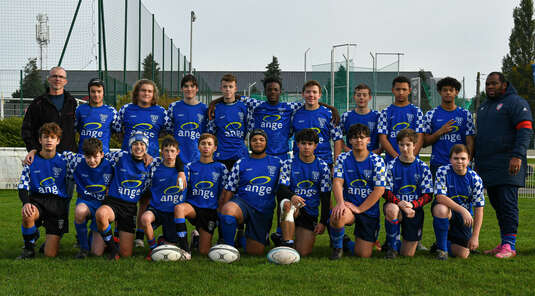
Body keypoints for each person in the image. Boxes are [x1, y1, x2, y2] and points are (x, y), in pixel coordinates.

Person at [114, 79, 185, 246]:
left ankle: (139, 235)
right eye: (143, 90)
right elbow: (118, 130)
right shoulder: (126, 109)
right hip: (129, 162)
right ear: (137, 92)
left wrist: (149, 150)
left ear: (154, 95)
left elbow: (166, 133)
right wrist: (132, 150)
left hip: (150, 162)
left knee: (145, 200)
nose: (146, 93)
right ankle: (118, 233)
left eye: (149, 91)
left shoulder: (160, 112)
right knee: (124, 197)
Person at [475, 72, 533, 258]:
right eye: (487, 84)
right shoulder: (484, 107)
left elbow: (525, 131)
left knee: (508, 203)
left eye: (494, 84)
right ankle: (503, 243)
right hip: (487, 164)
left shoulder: (515, 102)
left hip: (508, 163)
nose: (490, 87)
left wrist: (517, 155)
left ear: (504, 84)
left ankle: (510, 246)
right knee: (497, 204)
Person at [219, 129, 282, 255]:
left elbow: (284, 188)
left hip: (263, 210)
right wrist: (222, 213)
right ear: (249, 143)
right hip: (243, 203)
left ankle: (244, 238)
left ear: (266, 143)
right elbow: (229, 188)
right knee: (228, 212)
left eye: (261, 140)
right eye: (254, 140)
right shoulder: (241, 162)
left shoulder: (277, 163)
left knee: (255, 252)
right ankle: (229, 250)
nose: (257, 142)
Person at [95, 131, 156, 260]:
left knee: (126, 253)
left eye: (142, 144)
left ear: (146, 147)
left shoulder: (151, 165)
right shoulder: (120, 156)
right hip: (113, 203)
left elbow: (171, 161)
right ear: (130, 146)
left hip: (130, 208)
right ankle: (112, 249)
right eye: (135, 144)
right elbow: (99, 156)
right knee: (101, 214)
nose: (138, 147)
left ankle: (114, 240)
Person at [329, 124, 386, 259]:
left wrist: (360, 209)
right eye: (355, 137)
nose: (358, 140)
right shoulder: (343, 159)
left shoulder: (377, 161)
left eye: (362, 137)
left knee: (363, 254)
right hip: (348, 206)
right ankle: (337, 248)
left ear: (368, 140)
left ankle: (347, 242)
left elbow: (379, 190)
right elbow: (337, 182)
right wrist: (341, 203)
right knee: (337, 214)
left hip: (368, 210)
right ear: (350, 141)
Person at [17, 123, 73, 259]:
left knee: (50, 254)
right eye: (45, 137)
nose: (49, 140)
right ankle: (29, 249)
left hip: (57, 204)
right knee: (28, 213)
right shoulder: (31, 161)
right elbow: (23, 186)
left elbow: (87, 164)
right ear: (40, 140)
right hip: (38, 200)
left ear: (58, 141)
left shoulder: (65, 160)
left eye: (52, 137)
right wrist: (26, 203)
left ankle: (46, 240)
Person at [277, 129, 331, 256]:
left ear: (315, 146)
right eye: (303, 143)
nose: (306, 147)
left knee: (303, 251)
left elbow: (326, 197)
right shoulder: (288, 163)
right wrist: (292, 196)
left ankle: (283, 235)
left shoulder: (323, 166)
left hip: (310, 211)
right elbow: (281, 189)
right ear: (297, 144)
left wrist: (323, 221)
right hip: (294, 206)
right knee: (287, 205)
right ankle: (287, 245)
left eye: (310, 144)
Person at [382, 129, 433, 259]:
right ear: (398, 145)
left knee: (407, 254)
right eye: (401, 145)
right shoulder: (391, 165)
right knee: (391, 209)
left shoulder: (422, 167)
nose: (404, 148)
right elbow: (385, 191)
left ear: (415, 145)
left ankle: (395, 240)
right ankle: (392, 248)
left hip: (413, 210)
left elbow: (428, 195)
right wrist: (400, 203)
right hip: (396, 205)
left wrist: (412, 205)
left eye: (408, 145)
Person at [175, 133, 228, 255]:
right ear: (198, 147)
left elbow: (224, 192)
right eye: (203, 144)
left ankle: (197, 238)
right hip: (193, 208)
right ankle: (184, 249)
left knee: (204, 252)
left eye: (209, 144)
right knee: (179, 208)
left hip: (209, 211)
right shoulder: (190, 166)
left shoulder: (221, 168)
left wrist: (220, 211)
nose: (206, 147)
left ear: (215, 148)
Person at [432, 144, 484, 260]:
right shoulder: (443, 171)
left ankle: (440, 244)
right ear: (450, 159)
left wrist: (475, 236)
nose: (459, 161)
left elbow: (479, 208)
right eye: (456, 158)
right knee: (441, 208)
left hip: (464, 218)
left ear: (469, 160)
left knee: (464, 254)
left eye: (463, 158)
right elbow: (440, 197)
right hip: (449, 212)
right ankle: (442, 250)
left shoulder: (475, 179)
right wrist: (463, 210)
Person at [141, 137, 188, 260]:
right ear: (161, 151)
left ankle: (165, 239)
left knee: (171, 246)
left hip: (173, 212)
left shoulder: (186, 170)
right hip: (157, 208)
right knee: (145, 219)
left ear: (177, 152)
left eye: (172, 151)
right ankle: (153, 249)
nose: (169, 154)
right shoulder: (155, 167)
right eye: (166, 151)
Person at [71, 138, 114, 259]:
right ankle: (83, 248)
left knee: (97, 252)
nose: (92, 161)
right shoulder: (77, 163)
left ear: (102, 154)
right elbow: (57, 154)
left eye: (95, 156)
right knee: (80, 211)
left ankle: (93, 235)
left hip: (102, 207)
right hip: (86, 202)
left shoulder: (111, 164)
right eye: (88, 157)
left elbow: (129, 154)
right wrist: (33, 152)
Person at [423, 77, 475, 176]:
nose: (448, 93)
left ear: (456, 92)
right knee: (439, 192)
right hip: (438, 164)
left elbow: (470, 141)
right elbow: (424, 143)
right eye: (445, 90)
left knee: (460, 192)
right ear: (439, 92)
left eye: (451, 90)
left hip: (460, 165)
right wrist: (440, 131)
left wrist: (468, 161)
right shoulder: (431, 114)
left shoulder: (465, 114)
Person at [21, 66, 77, 154]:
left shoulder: (72, 103)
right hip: (44, 155)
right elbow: (27, 129)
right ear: (49, 79)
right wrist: (32, 149)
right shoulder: (38, 103)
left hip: (67, 155)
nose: (57, 79)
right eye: (54, 76)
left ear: (65, 81)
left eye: (61, 77)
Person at [292, 80, 343, 169]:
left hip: (324, 162)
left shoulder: (330, 114)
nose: (311, 95)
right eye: (308, 92)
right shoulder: (295, 114)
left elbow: (337, 139)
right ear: (303, 94)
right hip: (299, 163)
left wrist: (336, 165)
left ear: (319, 95)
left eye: (314, 92)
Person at [378, 76, 425, 164]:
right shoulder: (385, 112)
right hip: (391, 162)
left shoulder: (417, 111)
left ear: (409, 91)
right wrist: (397, 158)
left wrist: (411, 157)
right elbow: (383, 138)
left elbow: (420, 137)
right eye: (398, 89)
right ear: (393, 90)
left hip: (412, 161)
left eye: (404, 89)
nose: (401, 92)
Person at [206, 74, 248, 170]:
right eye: (225, 87)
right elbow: (211, 133)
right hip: (221, 156)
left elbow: (246, 129)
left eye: (230, 87)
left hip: (240, 155)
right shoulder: (215, 108)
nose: (228, 89)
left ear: (235, 88)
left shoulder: (243, 106)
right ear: (221, 88)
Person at [167, 74, 207, 164]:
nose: (189, 89)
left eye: (192, 86)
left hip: (198, 158)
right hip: (177, 158)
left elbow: (206, 134)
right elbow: (169, 130)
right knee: (180, 179)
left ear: (197, 89)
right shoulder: (173, 107)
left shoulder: (204, 109)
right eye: (186, 86)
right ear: (182, 89)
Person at [75, 78, 118, 153]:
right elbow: (74, 130)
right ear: (89, 92)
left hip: (102, 157)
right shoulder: (80, 110)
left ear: (103, 92)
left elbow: (118, 134)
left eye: (99, 91)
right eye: (93, 92)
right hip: (83, 156)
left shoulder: (111, 111)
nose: (96, 94)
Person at [340, 84, 381, 154]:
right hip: (352, 158)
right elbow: (338, 137)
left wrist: (373, 154)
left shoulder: (378, 116)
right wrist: (349, 151)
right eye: (358, 95)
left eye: (364, 95)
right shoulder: (346, 116)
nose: (361, 98)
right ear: (354, 97)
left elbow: (384, 138)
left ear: (370, 97)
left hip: (372, 158)